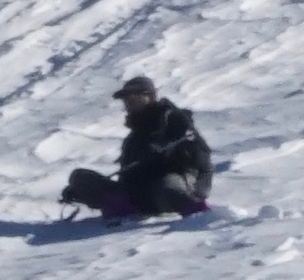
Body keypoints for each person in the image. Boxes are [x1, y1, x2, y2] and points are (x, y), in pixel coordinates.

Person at [61, 76, 215, 220]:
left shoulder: (174, 120)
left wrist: (198, 190)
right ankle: (122, 208)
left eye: (134, 97)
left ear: (151, 96)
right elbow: (127, 174)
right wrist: (81, 192)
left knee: (167, 188)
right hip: (138, 194)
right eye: (126, 100)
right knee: (80, 177)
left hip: (168, 185)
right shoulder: (134, 137)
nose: (129, 103)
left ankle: (195, 211)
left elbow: (201, 159)